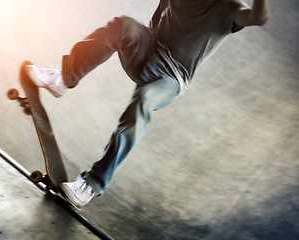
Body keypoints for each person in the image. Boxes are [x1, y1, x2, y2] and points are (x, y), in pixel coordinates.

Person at [27, 0, 269, 207]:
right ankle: (64, 78)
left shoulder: (228, 8)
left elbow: (258, 17)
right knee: (123, 25)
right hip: (146, 47)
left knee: (143, 102)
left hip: (170, 76)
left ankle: (91, 184)